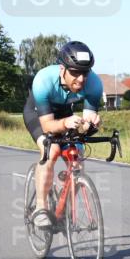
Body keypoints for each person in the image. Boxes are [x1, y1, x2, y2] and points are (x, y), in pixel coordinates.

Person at [22, 41, 103, 230]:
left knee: (77, 160)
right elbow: (48, 125)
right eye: (75, 72)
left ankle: (61, 204)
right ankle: (41, 208)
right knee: (51, 151)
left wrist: (91, 123)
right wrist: (66, 123)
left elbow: (88, 115)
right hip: (39, 113)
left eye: (85, 72)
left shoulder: (94, 84)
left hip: (65, 113)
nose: (81, 79)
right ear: (62, 69)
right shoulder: (43, 80)